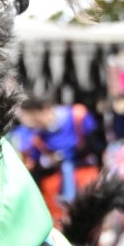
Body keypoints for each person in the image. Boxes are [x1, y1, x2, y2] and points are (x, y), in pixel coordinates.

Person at [12, 96, 106, 225]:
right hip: (56, 191)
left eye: (33, 119)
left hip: (85, 177)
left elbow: (99, 145)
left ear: (44, 110)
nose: (31, 124)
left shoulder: (77, 116)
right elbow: (33, 164)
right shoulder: (33, 136)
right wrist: (46, 162)